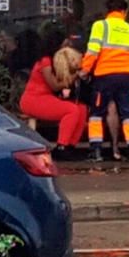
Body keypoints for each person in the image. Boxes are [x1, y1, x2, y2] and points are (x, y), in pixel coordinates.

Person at [80, 0, 129, 163]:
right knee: (128, 113)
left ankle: (96, 150)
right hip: (126, 76)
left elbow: (92, 51)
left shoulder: (101, 26)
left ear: (107, 11)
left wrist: (85, 71)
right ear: (124, 12)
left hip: (105, 75)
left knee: (97, 113)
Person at [19, 30, 87, 160]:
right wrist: (74, 76)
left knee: (82, 109)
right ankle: (61, 146)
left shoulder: (54, 61)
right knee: (71, 110)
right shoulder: (45, 61)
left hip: (45, 98)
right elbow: (54, 85)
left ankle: (70, 146)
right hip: (34, 100)